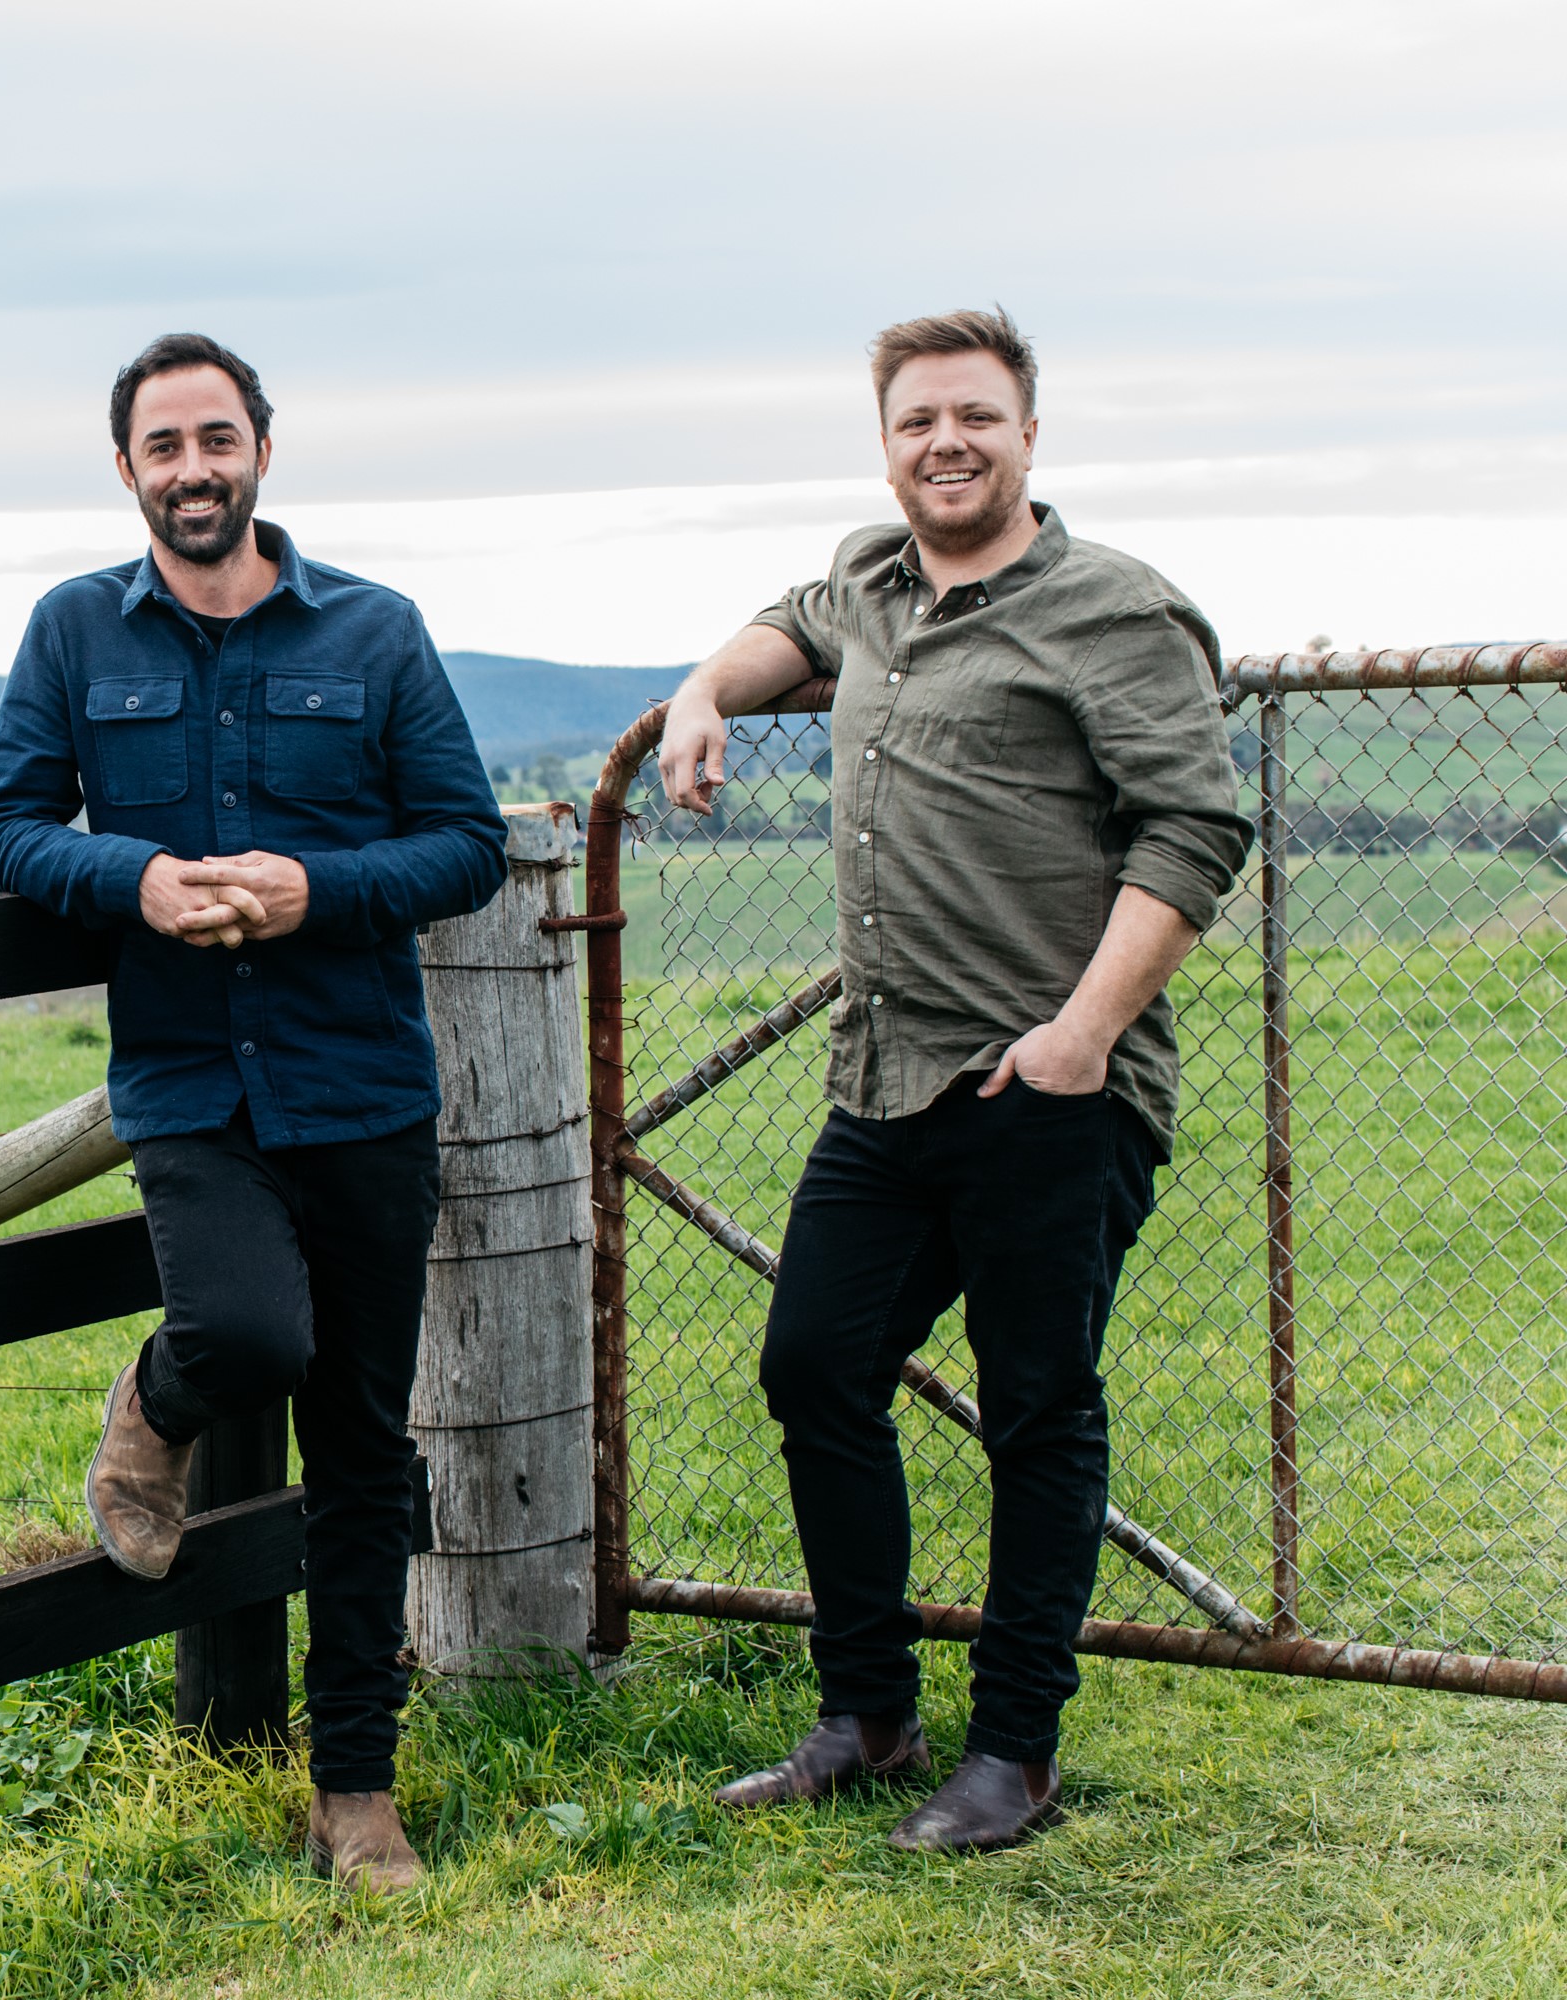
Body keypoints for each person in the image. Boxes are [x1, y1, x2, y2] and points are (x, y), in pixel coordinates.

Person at [657, 309, 1251, 1852]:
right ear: (888, 440)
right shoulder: (874, 579)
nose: (948, 444)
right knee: (814, 1367)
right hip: (882, 1081)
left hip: (1049, 1091)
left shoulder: (1118, 614)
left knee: (1036, 1410)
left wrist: (1082, 1034)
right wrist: (707, 693)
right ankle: (866, 1712)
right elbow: (786, 618)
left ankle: (1014, 1754)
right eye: (919, 421)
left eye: (977, 417)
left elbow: (1192, 832)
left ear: (1031, 433)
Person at [0, 333, 507, 1894]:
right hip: (191, 1088)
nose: (193, 469)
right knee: (250, 1336)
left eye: (218, 439)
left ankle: (355, 1790)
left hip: (363, 1091)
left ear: (262, 447)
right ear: (125, 467)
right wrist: (128, 877)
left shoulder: (376, 630)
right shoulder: (75, 632)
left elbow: (463, 844)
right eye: (163, 446)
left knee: (358, 1450)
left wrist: (310, 891)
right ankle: (154, 1401)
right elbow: (4, 829)